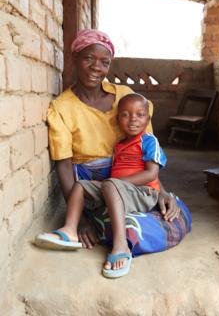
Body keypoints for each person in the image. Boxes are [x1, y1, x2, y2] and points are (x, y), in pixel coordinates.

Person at [34, 29, 191, 271]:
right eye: (88, 59)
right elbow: (64, 166)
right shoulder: (62, 107)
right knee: (118, 224)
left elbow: (146, 153)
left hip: (133, 182)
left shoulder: (127, 97)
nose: (96, 67)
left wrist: (161, 192)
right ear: (74, 59)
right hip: (93, 187)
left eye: (104, 62)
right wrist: (81, 221)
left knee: (171, 212)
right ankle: (81, 230)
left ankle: (121, 242)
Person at [35, 93, 168, 278]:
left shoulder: (149, 141)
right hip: (117, 189)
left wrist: (113, 184)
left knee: (109, 186)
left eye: (140, 114)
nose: (133, 120)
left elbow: (151, 174)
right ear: (117, 118)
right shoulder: (119, 145)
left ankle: (121, 245)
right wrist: (109, 185)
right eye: (125, 115)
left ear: (148, 118)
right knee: (81, 185)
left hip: (143, 193)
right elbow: (112, 182)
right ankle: (70, 230)